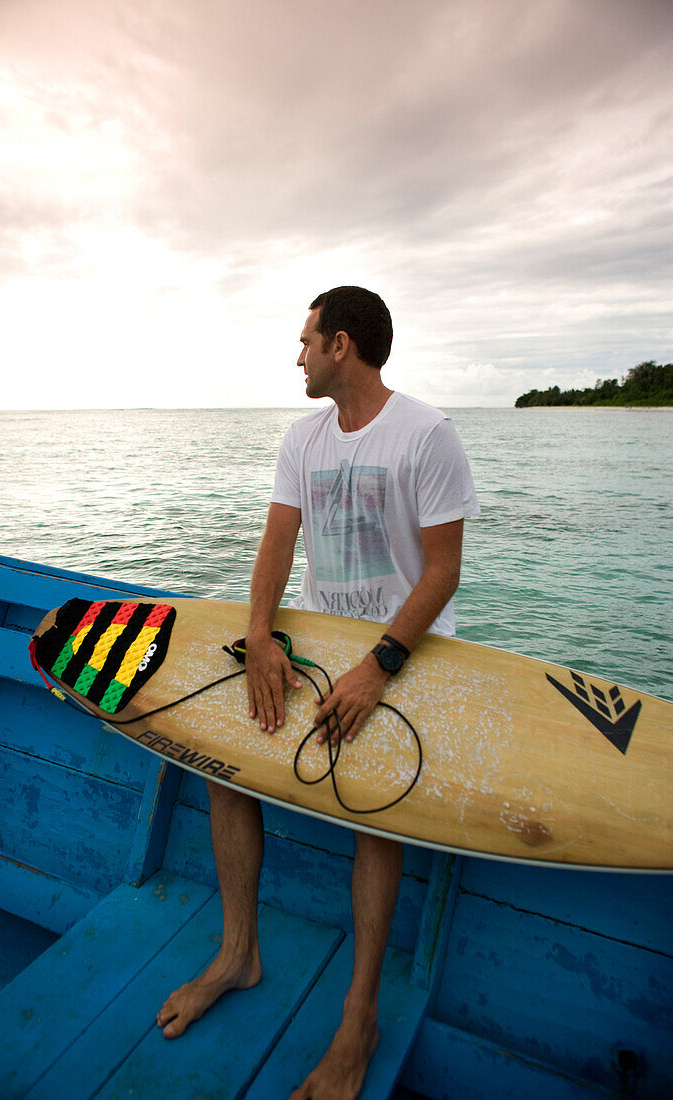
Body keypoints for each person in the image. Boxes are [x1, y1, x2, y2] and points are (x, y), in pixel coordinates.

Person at [156, 286, 479, 1099]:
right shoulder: (303, 438)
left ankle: (358, 1017)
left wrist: (380, 666)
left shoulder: (426, 434)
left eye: (305, 342)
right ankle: (239, 954)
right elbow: (276, 542)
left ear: (341, 345)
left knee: (376, 807)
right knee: (223, 761)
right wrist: (261, 636)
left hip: (396, 655)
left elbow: (444, 569)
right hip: (312, 644)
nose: (296, 356)